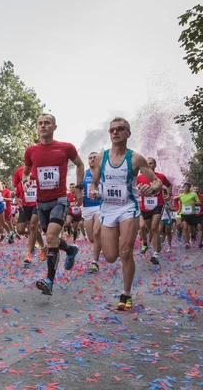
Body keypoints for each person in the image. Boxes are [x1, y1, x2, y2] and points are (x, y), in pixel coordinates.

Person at [89, 117, 162, 311]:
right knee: (111, 256)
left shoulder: (135, 158)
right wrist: (93, 190)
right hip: (107, 209)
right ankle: (123, 283)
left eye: (120, 129)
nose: (115, 132)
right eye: (112, 129)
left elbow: (156, 181)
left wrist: (152, 189)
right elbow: (94, 182)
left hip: (128, 208)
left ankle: (126, 294)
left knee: (125, 252)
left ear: (128, 133)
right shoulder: (101, 157)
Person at [22, 113, 84, 296]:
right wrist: (25, 181)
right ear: (36, 127)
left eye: (47, 123)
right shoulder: (31, 151)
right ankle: (70, 249)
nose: (43, 126)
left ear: (54, 127)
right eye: (40, 123)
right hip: (41, 202)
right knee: (51, 239)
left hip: (59, 200)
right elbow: (25, 172)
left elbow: (80, 165)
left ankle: (49, 279)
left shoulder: (65, 148)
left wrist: (79, 188)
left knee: (50, 237)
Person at [136, 157, 171, 264]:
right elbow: (134, 189)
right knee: (150, 229)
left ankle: (155, 254)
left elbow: (169, 185)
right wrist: (139, 189)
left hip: (158, 205)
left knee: (154, 227)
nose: (149, 165)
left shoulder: (160, 177)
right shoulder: (139, 178)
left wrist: (168, 195)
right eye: (147, 163)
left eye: (151, 163)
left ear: (155, 165)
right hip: (145, 207)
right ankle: (155, 244)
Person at [82, 152, 102, 273]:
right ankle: (101, 243)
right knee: (91, 238)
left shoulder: (103, 173)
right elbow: (79, 190)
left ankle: (95, 262)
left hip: (100, 206)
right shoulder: (84, 175)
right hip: (87, 207)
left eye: (95, 157)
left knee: (96, 232)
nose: (93, 159)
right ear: (88, 161)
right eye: (90, 158)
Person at [176, 183, 200, 249]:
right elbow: (180, 203)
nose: (186, 188)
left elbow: (199, 202)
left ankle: (193, 234)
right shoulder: (181, 195)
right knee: (185, 227)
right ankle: (187, 243)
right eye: (185, 187)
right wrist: (179, 210)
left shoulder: (194, 194)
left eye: (187, 187)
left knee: (191, 229)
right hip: (184, 214)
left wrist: (195, 203)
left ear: (189, 187)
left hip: (192, 214)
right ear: (183, 187)